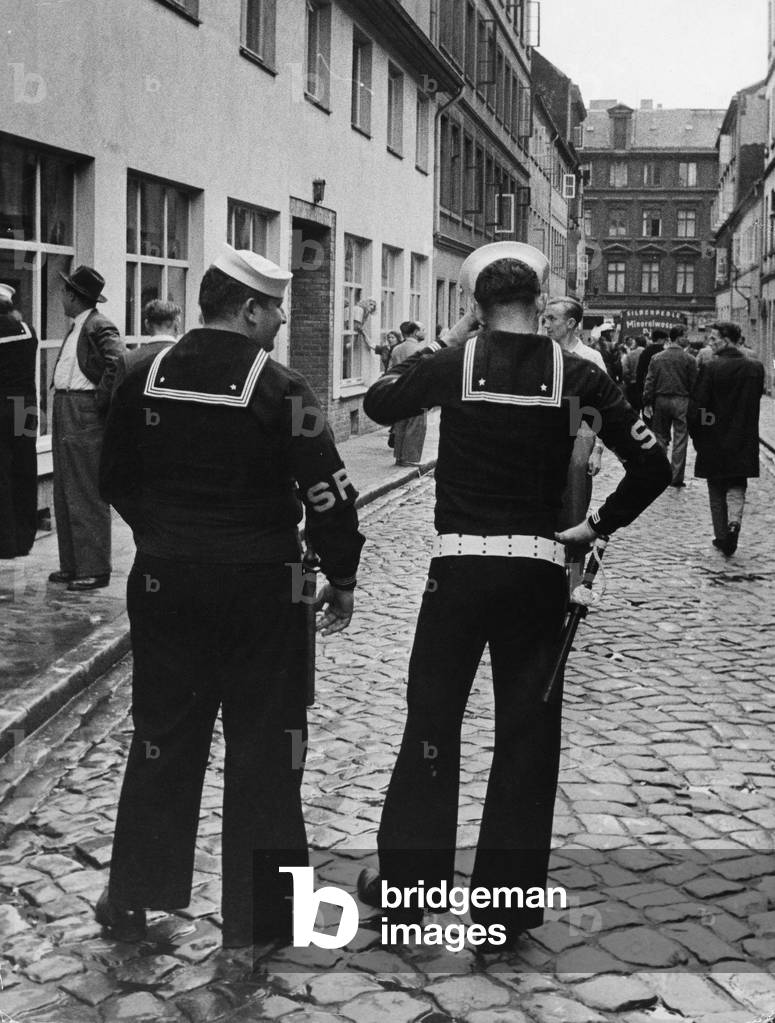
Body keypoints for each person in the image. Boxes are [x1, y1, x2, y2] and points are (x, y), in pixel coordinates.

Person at [359, 242, 670, 946]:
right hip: (535, 571)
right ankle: (501, 909)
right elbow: (651, 463)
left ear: (476, 307)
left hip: (457, 571)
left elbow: (380, 402)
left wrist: (448, 341)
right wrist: (595, 524)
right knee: (525, 739)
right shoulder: (578, 373)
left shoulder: (454, 363)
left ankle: (409, 892)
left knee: (431, 726)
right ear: (538, 304)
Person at [96, 245, 365, 946]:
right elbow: (328, 493)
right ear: (248, 309)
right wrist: (342, 573)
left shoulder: (140, 375)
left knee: (161, 736)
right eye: (274, 308)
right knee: (265, 745)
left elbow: (113, 476)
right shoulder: (283, 389)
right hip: (261, 588)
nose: (280, 321)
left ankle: (131, 893)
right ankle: (261, 915)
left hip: (165, 581)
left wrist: (163, 535)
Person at [49, 266, 125, 591]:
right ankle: (73, 565)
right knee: (65, 490)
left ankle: (94, 568)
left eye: (66, 291)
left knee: (85, 491)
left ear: (73, 296)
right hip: (65, 407)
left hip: (82, 409)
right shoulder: (80, 325)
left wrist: (100, 400)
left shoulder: (97, 324)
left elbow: (118, 361)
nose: (62, 297)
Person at [543, 297, 607, 591]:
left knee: (573, 510)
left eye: (552, 319)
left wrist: (596, 450)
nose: (546, 325)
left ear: (571, 323)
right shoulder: (541, 353)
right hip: (544, 432)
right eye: (545, 318)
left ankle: (574, 580)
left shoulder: (590, 358)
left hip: (577, 426)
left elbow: (601, 407)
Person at [690, 321, 764, 555]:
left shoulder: (711, 368)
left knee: (716, 487)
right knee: (737, 483)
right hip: (743, 436)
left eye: (714, 339)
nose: (710, 343)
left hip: (713, 436)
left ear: (727, 340)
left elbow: (699, 407)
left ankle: (722, 535)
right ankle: (734, 523)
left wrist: (697, 434)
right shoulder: (755, 368)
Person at [0, 283, 38, 559]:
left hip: (0, 406)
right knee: (25, 466)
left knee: (2, 471)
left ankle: (5, 541)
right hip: (25, 406)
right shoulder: (28, 331)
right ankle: (25, 537)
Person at [642, 325, 698, 488]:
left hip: (661, 400)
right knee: (680, 439)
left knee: (660, 437)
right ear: (678, 337)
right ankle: (675, 477)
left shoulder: (657, 358)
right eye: (685, 335)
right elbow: (694, 384)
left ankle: (659, 472)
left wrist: (647, 401)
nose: (687, 338)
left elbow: (650, 381)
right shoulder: (689, 359)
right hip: (682, 400)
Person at [112, 300, 181, 395]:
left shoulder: (128, 360)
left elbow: (117, 403)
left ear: (147, 324)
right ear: (177, 324)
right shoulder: (190, 358)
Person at [388, 321, 428, 466]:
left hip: (399, 389)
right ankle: (409, 458)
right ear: (415, 332)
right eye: (422, 329)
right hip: (416, 391)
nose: (424, 332)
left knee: (401, 424)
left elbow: (392, 369)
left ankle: (399, 456)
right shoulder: (421, 349)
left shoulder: (397, 349)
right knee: (416, 425)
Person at [634, 327, 668, 414]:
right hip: (662, 391)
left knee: (648, 418)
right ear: (660, 339)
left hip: (647, 389)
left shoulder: (645, 352)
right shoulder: (665, 353)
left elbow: (639, 372)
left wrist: (639, 391)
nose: (665, 342)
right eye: (664, 340)